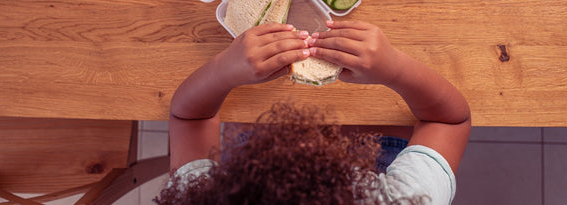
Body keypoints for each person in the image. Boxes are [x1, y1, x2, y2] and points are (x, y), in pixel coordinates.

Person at [156, 21, 471, 205]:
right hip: (381, 148)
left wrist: (224, 70)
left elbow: (190, 117)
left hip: (252, 157)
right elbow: (446, 119)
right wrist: (394, 68)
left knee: (250, 110)